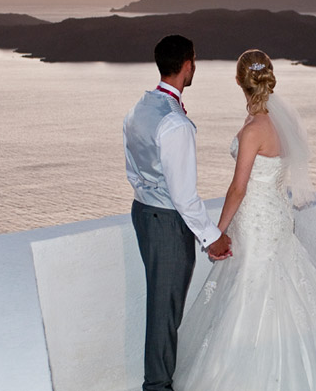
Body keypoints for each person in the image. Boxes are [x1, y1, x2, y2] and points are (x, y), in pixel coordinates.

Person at [174, 49, 316, 390]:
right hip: (273, 217)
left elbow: (237, 189)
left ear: (239, 81)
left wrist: (217, 231)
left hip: (255, 222)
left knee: (251, 290)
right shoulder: (278, 123)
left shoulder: (253, 130)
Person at [123, 34, 232, 391]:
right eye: (194, 61)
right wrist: (212, 237)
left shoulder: (140, 107)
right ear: (188, 64)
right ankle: (157, 386)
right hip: (167, 222)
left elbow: (133, 170)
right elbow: (184, 197)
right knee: (165, 310)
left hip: (142, 211)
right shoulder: (175, 124)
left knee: (161, 304)